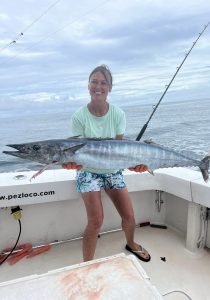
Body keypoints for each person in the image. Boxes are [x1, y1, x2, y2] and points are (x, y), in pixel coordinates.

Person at [63, 65, 150, 262]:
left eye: (103, 82)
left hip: (112, 170)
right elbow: (75, 153)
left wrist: (136, 164)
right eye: (94, 81)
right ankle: (87, 264)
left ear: (110, 87)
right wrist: (71, 164)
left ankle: (131, 243)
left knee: (129, 215)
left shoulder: (118, 114)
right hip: (88, 171)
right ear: (88, 85)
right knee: (96, 221)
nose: (98, 86)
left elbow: (118, 149)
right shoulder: (79, 116)